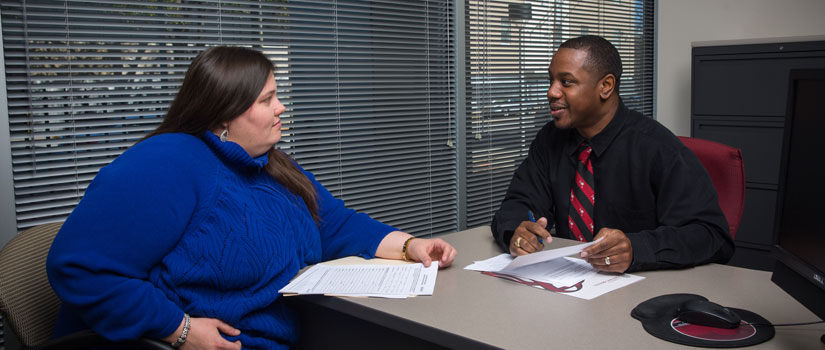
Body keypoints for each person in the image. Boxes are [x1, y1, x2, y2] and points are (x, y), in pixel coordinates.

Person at [46, 46, 457, 350]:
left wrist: (410, 245)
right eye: (266, 100)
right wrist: (181, 330)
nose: (281, 108)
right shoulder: (168, 163)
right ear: (224, 112)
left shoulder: (272, 163)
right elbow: (80, 267)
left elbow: (333, 222)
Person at [491, 35, 734, 273]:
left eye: (566, 82)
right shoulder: (550, 139)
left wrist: (636, 249)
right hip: (566, 286)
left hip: (642, 290)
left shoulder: (657, 148)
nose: (551, 92)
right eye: (551, 80)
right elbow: (519, 202)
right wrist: (517, 232)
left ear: (605, 87)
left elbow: (711, 234)